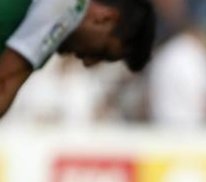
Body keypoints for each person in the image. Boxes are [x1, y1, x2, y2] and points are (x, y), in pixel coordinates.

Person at [0, 0, 154, 118]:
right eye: (102, 52)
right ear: (105, 18)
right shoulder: (68, 10)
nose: (88, 62)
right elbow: (4, 85)